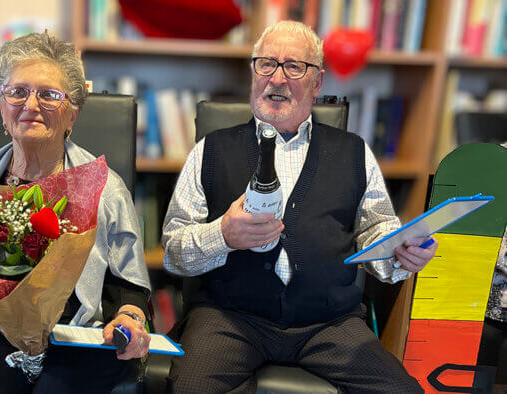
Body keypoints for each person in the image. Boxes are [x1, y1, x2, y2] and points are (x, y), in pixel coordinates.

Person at [161, 21, 437, 393]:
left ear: (317, 82)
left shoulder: (354, 152)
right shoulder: (209, 151)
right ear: (253, 71)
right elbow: (174, 253)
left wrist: (399, 253)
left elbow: (377, 230)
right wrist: (222, 235)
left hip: (330, 322)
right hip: (229, 319)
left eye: (293, 67)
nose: (276, 78)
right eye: (266, 64)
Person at [0, 32, 151, 394]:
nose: (31, 105)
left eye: (49, 95)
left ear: (72, 113)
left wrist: (128, 319)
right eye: (17, 92)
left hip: (79, 336)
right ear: (1, 106)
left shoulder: (105, 188)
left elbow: (128, 287)